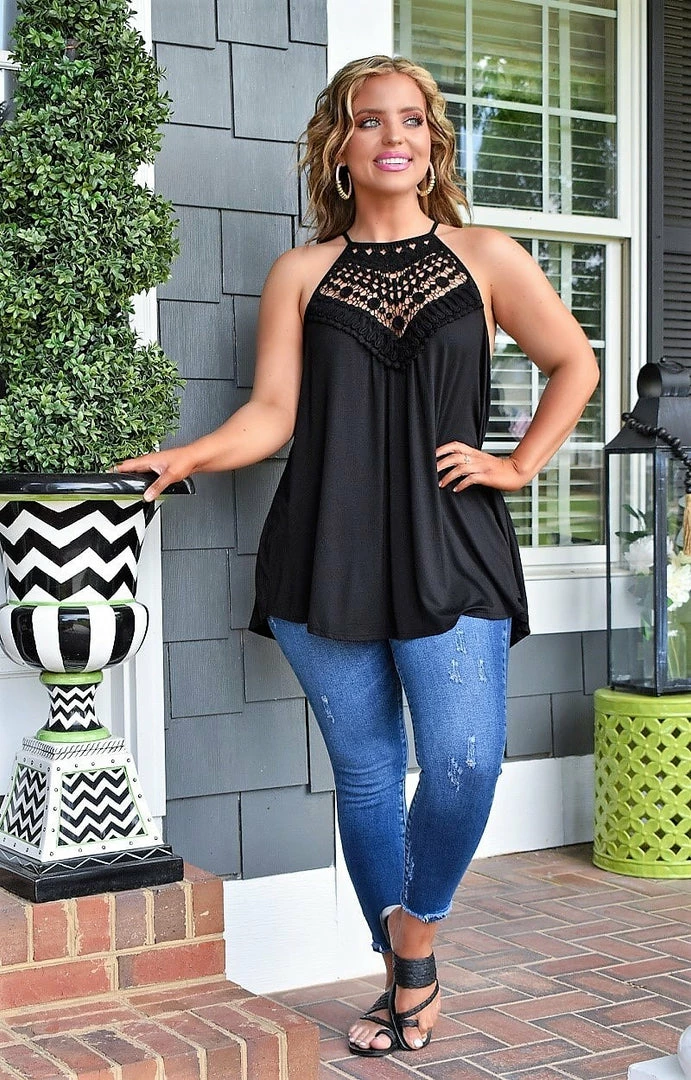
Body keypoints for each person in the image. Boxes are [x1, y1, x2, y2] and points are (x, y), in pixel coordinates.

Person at [117, 55, 599, 1058]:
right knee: (369, 776)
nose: (393, 136)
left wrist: (518, 466)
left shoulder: (484, 256)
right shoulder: (302, 272)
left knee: (463, 763)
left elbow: (573, 363)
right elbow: (273, 414)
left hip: (451, 542)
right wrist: (187, 456)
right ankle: (407, 982)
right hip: (323, 547)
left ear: (433, 143)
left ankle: (413, 935)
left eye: (411, 120)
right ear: (338, 146)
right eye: (369, 119)